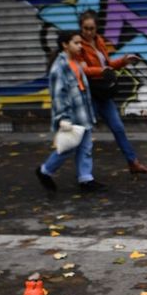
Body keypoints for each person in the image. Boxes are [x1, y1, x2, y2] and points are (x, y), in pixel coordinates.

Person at [76, 10, 147, 174]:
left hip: (103, 94)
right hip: (89, 95)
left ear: (96, 28)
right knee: (83, 134)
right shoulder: (78, 46)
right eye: (85, 28)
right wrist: (101, 71)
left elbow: (109, 64)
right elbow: (83, 70)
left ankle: (133, 162)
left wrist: (124, 61)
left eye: (92, 28)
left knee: (118, 127)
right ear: (81, 28)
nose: (89, 32)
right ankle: (55, 168)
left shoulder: (99, 42)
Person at [35, 31, 105, 193]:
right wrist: (63, 118)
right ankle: (45, 171)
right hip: (71, 117)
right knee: (68, 148)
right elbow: (58, 95)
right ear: (65, 45)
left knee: (86, 147)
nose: (80, 46)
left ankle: (86, 179)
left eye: (80, 43)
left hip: (83, 114)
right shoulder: (59, 68)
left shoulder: (75, 62)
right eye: (76, 43)